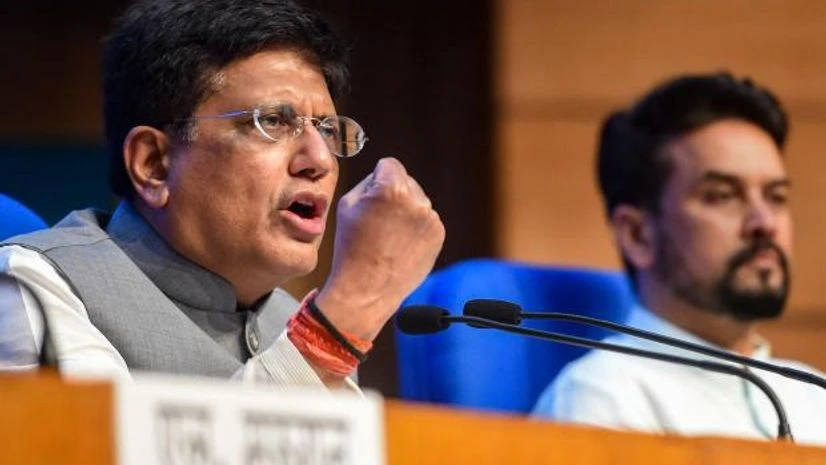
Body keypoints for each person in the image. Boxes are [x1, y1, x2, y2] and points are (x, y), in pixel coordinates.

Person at [0, 0, 444, 390]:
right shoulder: (37, 285)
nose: (320, 160)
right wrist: (341, 322)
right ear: (153, 163)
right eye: (272, 121)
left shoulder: (295, 320)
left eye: (328, 130)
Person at [532, 72, 826, 445]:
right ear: (638, 234)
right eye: (722, 195)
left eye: (776, 197)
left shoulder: (815, 397)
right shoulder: (602, 400)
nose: (764, 223)